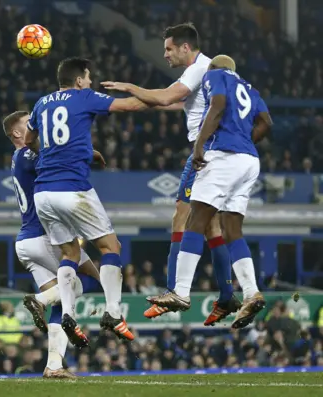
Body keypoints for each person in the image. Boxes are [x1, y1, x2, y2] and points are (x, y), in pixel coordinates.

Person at [102, 23, 239, 325]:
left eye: (168, 49)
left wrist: (129, 88)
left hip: (206, 154)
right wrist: (137, 104)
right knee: (211, 226)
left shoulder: (197, 70)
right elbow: (178, 102)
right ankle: (227, 295)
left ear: (185, 48)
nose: (164, 55)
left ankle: (175, 290)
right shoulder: (210, 71)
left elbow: (165, 97)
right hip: (223, 152)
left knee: (182, 216)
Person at [25, 57, 149, 347]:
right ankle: (113, 312)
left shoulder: (42, 102)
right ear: (79, 80)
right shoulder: (85, 96)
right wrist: (157, 96)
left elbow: (30, 137)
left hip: (43, 192)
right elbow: (131, 105)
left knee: (70, 253)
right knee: (110, 247)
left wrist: (61, 152)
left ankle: (68, 313)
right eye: (89, 78)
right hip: (73, 188)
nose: (91, 82)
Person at [148, 55, 272, 329]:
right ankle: (251, 292)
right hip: (249, 160)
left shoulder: (215, 75)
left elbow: (217, 106)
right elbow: (266, 123)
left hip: (223, 156)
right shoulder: (251, 89)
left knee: (196, 220)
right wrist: (244, 142)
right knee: (232, 229)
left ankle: (180, 291)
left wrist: (199, 145)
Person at [3, 110, 105, 377]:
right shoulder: (27, 154)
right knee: (94, 280)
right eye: (28, 124)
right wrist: (86, 152)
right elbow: (59, 159)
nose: (35, 126)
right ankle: (39, 299)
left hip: (27, 242)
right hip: (44, 237)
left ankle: (53, 366)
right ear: (16, 133)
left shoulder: (18, 159)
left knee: (61, 302)